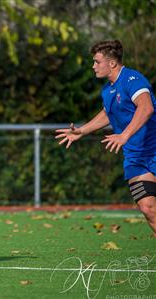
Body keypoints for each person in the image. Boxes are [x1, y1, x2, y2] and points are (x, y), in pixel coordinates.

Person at [55, 40, 156, 237]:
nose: (93, 66)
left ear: (111, 63)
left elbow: (146, 107)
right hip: (136, 157)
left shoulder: (132, 80)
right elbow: (108, 114)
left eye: (97, 62)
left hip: (154, 149)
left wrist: (124, 135)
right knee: (148, 208)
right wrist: (82, 131)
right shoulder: (107, 90)